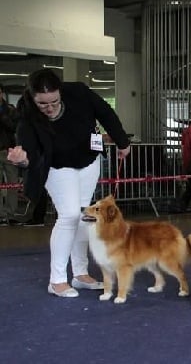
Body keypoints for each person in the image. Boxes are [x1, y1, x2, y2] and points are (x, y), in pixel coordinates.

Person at [7, 68, 131, 297]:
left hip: (88, 160)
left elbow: (106, 113)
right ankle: (57, 280)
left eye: (54, 101)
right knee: (69, 216)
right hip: (56, 167)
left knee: (84, 216)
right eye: (43, 104)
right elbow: (30, 154)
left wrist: (122, 142)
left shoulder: (79, 93)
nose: (50, 107)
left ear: (61, 92)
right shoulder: (26, 117)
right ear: (33, 98)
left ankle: (80, 273)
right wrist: (23, 159)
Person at [0, 83, 22, 226]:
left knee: (12, 183)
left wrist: (2, 117)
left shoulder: (10, 110)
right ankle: (0, 215)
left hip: (8, 151)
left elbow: (15, 127)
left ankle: (11, 214)